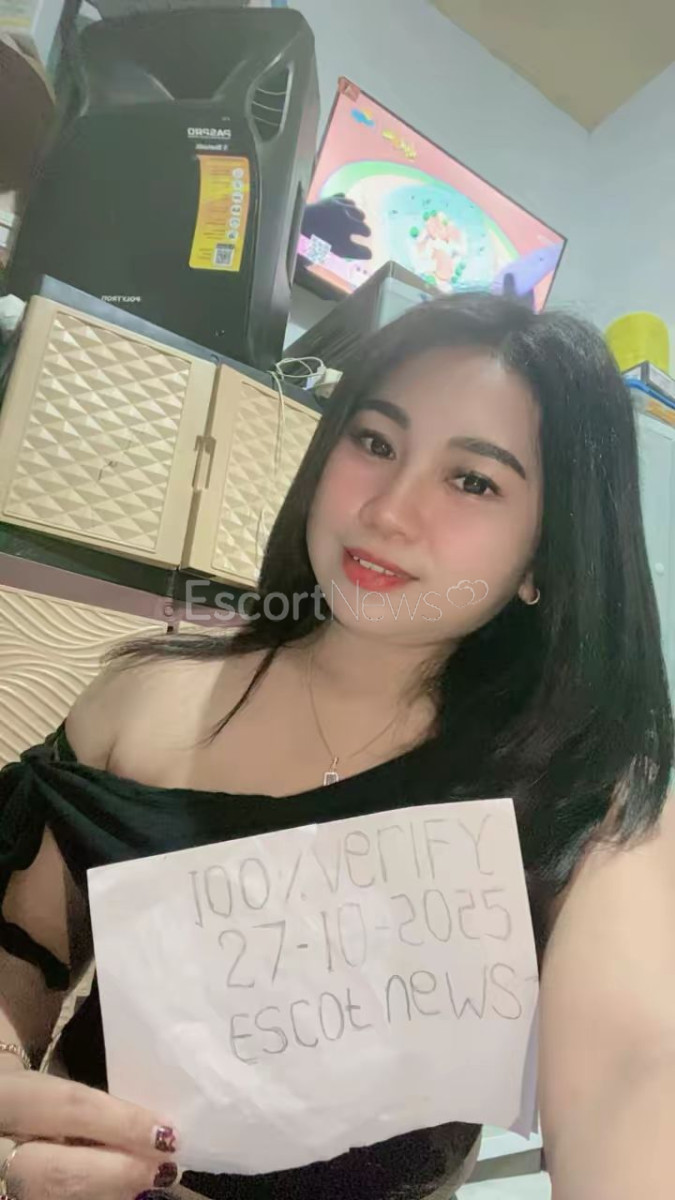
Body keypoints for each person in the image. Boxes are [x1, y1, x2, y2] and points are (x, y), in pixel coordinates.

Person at [1, 292, 674, 1200]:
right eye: (375, 442)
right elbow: (21, 962)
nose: (389, 510)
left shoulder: (586, 796)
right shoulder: (141, 700)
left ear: (545, 559)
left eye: (473, 481)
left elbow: (632, 1078)